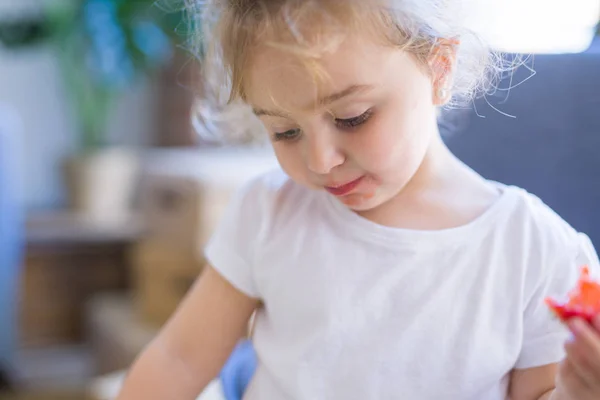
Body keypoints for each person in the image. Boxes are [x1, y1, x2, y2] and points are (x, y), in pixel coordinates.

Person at [117, 1, 600, 399]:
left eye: (353, 117)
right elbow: (179, 360)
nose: (321, 160)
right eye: (285, 131)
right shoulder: (268, 213)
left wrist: (579, 390)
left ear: (439, 68)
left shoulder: (537, 253)